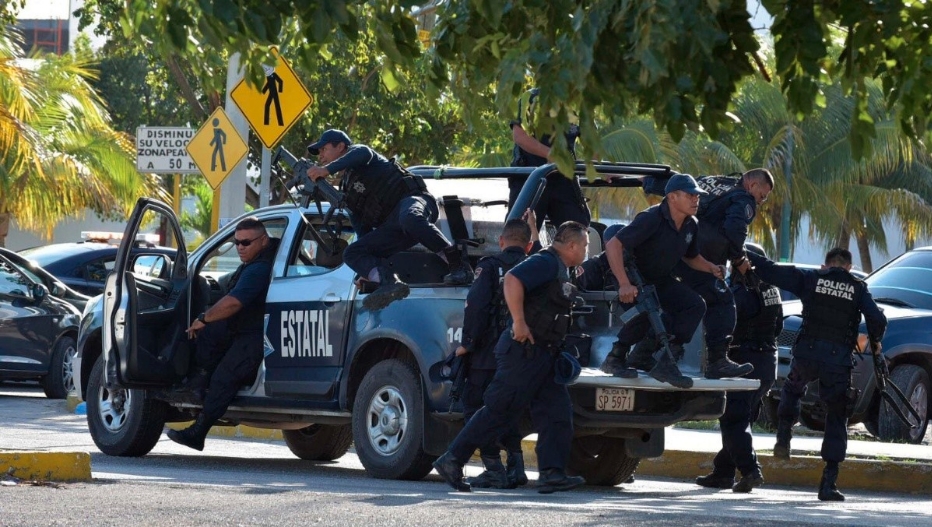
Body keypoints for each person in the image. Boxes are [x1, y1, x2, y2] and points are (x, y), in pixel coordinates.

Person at [433, 222, 590, 494]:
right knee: (498, 410)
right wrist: (518, 321)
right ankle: (452, 459)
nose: (587, 250)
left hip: (544, 354)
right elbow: (513, 280)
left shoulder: (559, 266)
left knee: (557, 414)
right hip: (522, 351)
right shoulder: (545, 262)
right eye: (586, 245)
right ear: (573, 245)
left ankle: (552, 474)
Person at [748, 247, 887, 501]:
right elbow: (877, 320)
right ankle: (828, 483)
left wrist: (740, 248)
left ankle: (783, 437)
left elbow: (770, 270)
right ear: (848, 267)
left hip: (807, 355)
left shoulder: (811, 279)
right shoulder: (857, 288)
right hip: (837, 362)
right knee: (836, 416)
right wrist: (876, 343)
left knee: (792, 389)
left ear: (826, 265)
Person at [305, 129, 472, 311]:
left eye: (324, 149)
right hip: (394, 227)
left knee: (409, 217)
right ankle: (387, 282)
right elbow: (362, 230)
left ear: (341, 146)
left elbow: (362, 154)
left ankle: (458, 265)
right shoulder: (347, 189)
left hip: (414, 201)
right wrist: (367, 271)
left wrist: (326, 170)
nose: (320, 155)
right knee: (352, 253)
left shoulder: (360, 153)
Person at [598, 174, 723, 386]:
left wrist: (710, 267)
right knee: (649, 308)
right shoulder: (651, 217)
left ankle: (658, 359)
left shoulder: (691, 224)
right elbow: (613, 245)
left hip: (659, 279)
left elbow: (691, 257)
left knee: (694, 306)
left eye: (697, 196)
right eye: (690, 195)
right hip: (631, 277)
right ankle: (615, 358)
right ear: (672, 197)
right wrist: (623, 283)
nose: (696, 200)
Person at [168, 217, 276, 451]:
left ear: (264, 240)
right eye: (236, 243)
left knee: (224, 378)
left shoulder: (260, 268)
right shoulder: (252, 264)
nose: (239, 248)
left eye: (246, 243)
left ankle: (198, 432)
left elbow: (233, 303)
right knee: (210, 334)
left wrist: (203, 318)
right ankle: (198, 385)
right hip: (243, 331)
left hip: (256, 336)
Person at [454, 216, 537, 489]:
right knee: (507, 409)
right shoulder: (538, 265)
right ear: (528, 246)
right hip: (524, 352)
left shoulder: (490, 266)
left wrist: (467, 342)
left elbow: (476, 306)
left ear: (501, 242)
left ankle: (493, 467)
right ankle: (516, 467)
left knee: (475, 407)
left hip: (488, 352)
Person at [696, 249, 783, 493]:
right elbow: (778, 326)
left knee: (734, 420)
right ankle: (723, 472)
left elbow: (726, 325)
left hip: (744, 362)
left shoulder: (738, 293)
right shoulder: (771, 290)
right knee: (741, 420)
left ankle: (750, 470)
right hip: (767, 363)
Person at [677, 169, 775, 379]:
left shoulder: (714, 180)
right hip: (704, 261)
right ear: (752, 185)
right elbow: (734, 231)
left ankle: (658, 352)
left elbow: (675, 183)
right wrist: (739, 259)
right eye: (762, 196)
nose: (760, 202)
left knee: (683, 304)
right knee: (723, 302)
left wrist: (645, 181)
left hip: (680, 252)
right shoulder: (744, 200)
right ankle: (718, 361)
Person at [507, 88, 590, 229]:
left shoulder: (581, 103)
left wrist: (600, 168)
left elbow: (591, 143)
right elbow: (520, 136)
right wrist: (552, 155)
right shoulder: (531, 98)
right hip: (530, 179)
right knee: (521, 231)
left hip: (564, 179)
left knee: (577, 229)